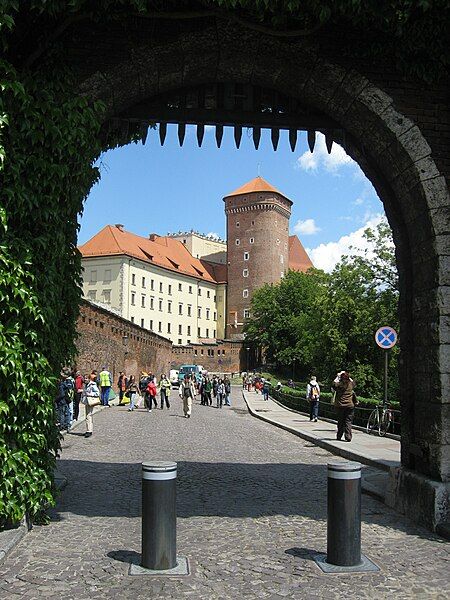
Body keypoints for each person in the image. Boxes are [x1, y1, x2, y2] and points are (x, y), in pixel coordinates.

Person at [332, 370, 357, 442]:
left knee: (341, 421)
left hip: (340, 406)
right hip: (350, 405)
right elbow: (354, 382)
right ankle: (348, 436)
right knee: (348, 421)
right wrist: (348, 376)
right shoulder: (351, 384)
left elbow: (333, 385)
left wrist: (338, 376)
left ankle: (339, 436)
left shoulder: (339, 385)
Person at [55, 367, 74, 432]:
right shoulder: (70, 381)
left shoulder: (63, 383)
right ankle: (67, 424)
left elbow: (62, 394)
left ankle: (62, 425)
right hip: (67, 399)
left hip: (62, 400)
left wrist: (56, 399)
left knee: (62, 413)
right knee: (67, 412)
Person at [82, 371, 100, 438]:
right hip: (87, 402)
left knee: (88, 416)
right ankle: (88, 430)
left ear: (89, 379)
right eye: (84, 378)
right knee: (87, 416)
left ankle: (89, 431)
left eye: (86, 378)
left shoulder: (92, 385)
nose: (85, 379)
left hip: (90, 401)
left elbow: (97, 393)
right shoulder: (86, 385)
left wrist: (89, 394)